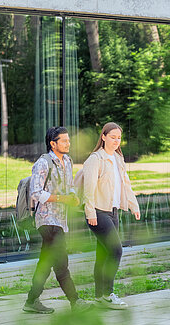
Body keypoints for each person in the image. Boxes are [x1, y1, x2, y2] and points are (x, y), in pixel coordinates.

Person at [23, 127, 85, 314]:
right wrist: (61, 199)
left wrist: (73, 196)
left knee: (45, 262)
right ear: (53, 143)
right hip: (47, 219)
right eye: (64, 141)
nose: (68, 144)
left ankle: (31, 301)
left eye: (68, 140)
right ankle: (76, 302)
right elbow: (36, 192)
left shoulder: (67, 161)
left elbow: (71, 186)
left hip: (60, 219)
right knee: (61, 262)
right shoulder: (43, 163)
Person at [80, 122, 140, 309]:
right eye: (112, 137)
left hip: (113, 211)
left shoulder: (118, 159)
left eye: (119, 138)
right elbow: (88, 189)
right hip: (97, 211)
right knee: (116, 250)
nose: (116, 141)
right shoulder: (95, 159)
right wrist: (90, 213)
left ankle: (100, 297)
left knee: (103, 253)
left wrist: (133, 205)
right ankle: (108, 294)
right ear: (103, 137)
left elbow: (126, 185)